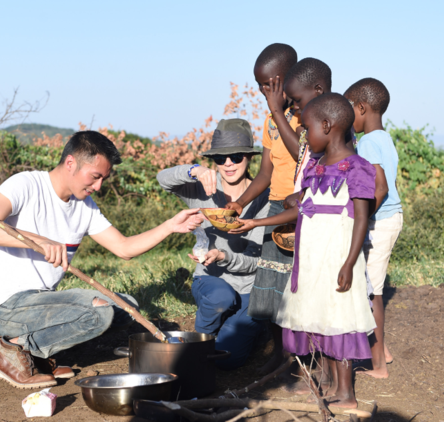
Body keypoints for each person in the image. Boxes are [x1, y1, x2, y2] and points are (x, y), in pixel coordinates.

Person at [0, 131, 205, 389]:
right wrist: (40, 240)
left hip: (40, 302)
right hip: (4, 306)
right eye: (95, 177)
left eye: (103, 178)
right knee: (99, 312)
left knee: (126, 307)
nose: (99, 186)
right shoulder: (25, 184)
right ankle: (11, 349)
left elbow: (124, 247)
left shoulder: (85, 206)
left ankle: (35, 351)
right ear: (71, 163)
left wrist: (170, 225)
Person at [235, 93, 377, 409]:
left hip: (338, 257)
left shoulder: (356, 168)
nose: (303, 135)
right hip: (313, 258)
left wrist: (349, 263)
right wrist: (256, 222)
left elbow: (362, 219)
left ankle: (347, 394)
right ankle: (334, 387)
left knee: (340, 321)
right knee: (322, 320)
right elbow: (302, 209)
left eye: (307, 128)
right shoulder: (316, 167)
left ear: (327, 126)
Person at [156, 119, 270, 370]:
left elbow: (260, 260)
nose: (228, 163)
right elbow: (162, 178)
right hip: (211, 281)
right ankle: (200, 339)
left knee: (228, 359)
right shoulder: (201, 189)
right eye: (220, 158)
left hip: (250, 288)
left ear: (249, 157)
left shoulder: (266, 200)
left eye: (236, 156)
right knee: (220, 298)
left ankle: (245, 329)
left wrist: (224, 257)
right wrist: (194, 170)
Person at [224, 43, 299, 374]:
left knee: (297, 290)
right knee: (270, 289)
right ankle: (279, 354)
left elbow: (306, 159)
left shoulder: (310, 116)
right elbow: (266, 173)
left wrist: (280, 113)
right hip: (274, 207)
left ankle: (299, 358)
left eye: (268, 87)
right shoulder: (271, 123)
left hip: (300, 212)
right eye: (260, 87)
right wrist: (240, 202)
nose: (264, 94)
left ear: (285, 81)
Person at [345, 78, 403, 379]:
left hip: (380, 222)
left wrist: (361, 220)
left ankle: (378, 365)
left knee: (372, 292)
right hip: (391, 219)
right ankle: (383, 351)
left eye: (348, 112)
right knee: (372, 287)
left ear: (362, 108)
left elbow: (378, 190)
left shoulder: (366, 143)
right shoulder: (384, 137)